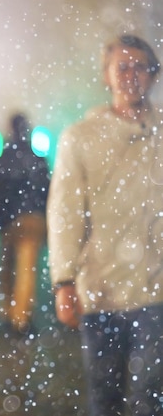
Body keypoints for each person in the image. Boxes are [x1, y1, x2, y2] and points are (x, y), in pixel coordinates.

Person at [47, 34, 163, 416]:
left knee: (150, 394)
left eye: (140, 67)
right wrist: (63, 280)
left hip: (156, 287)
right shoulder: (80, 138)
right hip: (102, 288)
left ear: (153, 75)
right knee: (106, 395)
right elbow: (65, 213)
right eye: (122, 66)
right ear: (107, 76)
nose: (131, 75)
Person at [0, 113, 50, 334]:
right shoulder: (37, 157)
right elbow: (46, 189)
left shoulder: (2, 158)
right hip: (33, 218)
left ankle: (8, 312)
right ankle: (22, 318)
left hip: (9, 219)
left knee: (6, 268)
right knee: (27, 269)